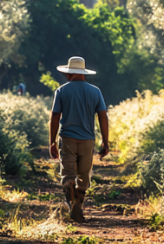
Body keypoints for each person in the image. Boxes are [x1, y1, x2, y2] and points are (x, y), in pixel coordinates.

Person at [49, 56, 109, 223]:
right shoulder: (95, 91)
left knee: (68, 175)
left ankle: (71, 197)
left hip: (67, 139)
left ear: (69, 74)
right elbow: (103, 116)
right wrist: (105, 141)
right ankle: (78, 206)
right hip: (88, 140)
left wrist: (52, 142)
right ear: (84, 73)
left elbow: (55, 116)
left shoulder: (61, 91)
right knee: (83, 176)